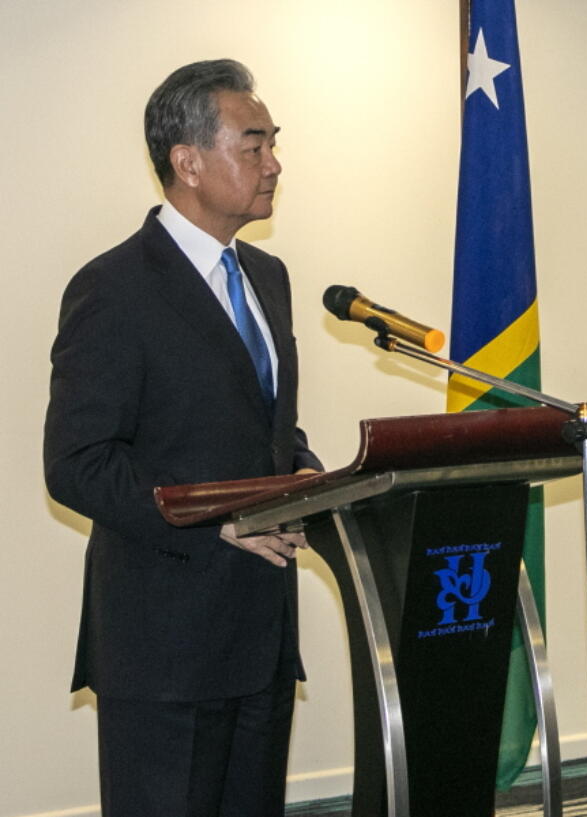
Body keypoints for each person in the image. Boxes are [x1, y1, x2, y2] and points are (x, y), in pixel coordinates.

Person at [44, 59, 322, 817]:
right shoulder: (114, 287)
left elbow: (269, 427)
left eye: (274, 144)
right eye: (254, 144)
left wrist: (312, 480)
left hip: (262, 640)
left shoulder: (268, 276)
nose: (275, 164)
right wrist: (219, 519)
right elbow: (77, 463)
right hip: (164, 651)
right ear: (187, 162)